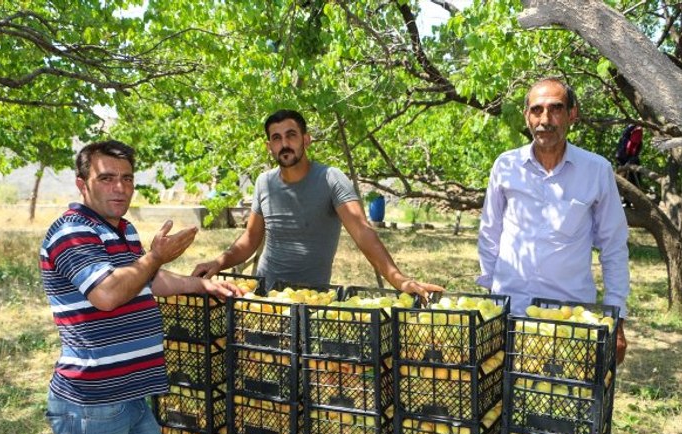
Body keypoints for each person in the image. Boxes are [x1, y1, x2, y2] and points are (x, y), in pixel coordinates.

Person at [40, 140, 242, 434]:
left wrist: (201, 284)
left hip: (132, 394)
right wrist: (155, 256)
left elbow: (146, 278)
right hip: (93, 401)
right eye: (106, 178)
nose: (120, 188)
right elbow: (107, 294)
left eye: (128, 178)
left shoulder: (123, 229)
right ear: (82, 184)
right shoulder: (71, 232)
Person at [192, 109, 442, 298]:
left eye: (291, 135)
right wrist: (218, 262)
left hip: (312, 299)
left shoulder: (331, 178)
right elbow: (250, 239)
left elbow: (362, 232)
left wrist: (399, 280)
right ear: (270, 147)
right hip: (265, 296)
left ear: (306, 140)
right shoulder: (264, 183)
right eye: (276, 138)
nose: (284, 144)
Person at [476, 78, 629, 364]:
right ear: (526, 116)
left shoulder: (596, 171)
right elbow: (489, 233)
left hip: (570, 320)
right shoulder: (506, 166)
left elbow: (614, 247)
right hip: (510, 316)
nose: (545, 119)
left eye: (555, 109)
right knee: (505, 404)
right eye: (536, 110)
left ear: (572, 113)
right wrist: (490, 302)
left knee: (565, 401)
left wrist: (616, 317)